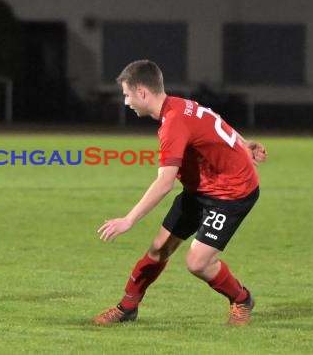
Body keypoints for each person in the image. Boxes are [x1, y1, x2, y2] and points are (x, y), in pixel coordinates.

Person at [93, 60, 267, 326]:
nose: (126, 102)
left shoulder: (173, 123)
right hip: (199, 189)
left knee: (197, 262)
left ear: (142, 93)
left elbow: (165, 183)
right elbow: (215, 123)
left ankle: (242, 299)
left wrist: (128, 220)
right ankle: (127, 307)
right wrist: (244, 144)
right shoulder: (179, 105)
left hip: (231, 194)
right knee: (158, 250)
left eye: (127, 95)